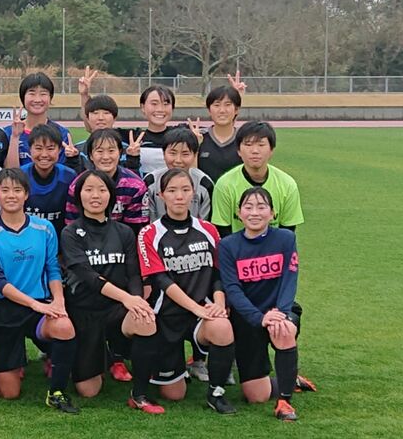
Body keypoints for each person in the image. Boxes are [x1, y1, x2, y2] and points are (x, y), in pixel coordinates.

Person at [59, 169, 163, 413]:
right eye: (89, 190)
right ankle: (102, 357)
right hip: (84, 312)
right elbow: (90, 278)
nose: (96, 195)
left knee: (145, 319)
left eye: (102, 190)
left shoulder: (124, 232)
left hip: (117, 310)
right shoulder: (70, 233)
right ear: (79, 196)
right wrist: (128, 298)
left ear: (111, 196)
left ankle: (139, 394)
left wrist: (136, 301)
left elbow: (133, 274)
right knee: (88, 390)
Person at [0, 168, 79, 413]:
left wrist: (58, 301)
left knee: (64, 326)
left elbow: (53, 268)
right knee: (8, 393)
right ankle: (9, 364)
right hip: (5, 309)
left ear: (26, 195)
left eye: (17, 190)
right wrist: (37, 305)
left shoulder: (44, 229)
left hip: (40, 305)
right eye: (5, 190)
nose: (11, 195)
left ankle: (56, 391)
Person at [137, 168, 238, 414]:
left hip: (201, 313)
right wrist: (195, 308)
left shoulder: (208, 230)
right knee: (174, 395)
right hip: (167, 315)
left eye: (185, 190)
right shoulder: (149, 233)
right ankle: (170, 369)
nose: (179, 196)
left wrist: (218, 303)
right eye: (172, 191)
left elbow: (217, 274)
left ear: (193, 193)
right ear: (161, 195)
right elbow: (160, 280)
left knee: (223, 326)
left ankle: (216, 392)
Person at [219, 187, 304, 421]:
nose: (254, 212)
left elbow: (290, 279)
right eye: (248, 207)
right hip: (248, 318)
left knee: (283, 329)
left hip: (279, 310)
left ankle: (285, 403)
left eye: (261, 207)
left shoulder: (286, 239)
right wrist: (258, 318)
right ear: (239, 213)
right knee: (256, 396)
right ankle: (290, 377)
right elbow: (232, 289)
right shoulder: (228, 245)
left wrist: (281, 313)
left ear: (273, 213)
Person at [211, 121, 304, 236]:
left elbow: (287, 233)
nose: (255, 151)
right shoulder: (224, 185)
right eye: (248, 145)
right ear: (239, 151)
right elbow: (223, 233)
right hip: (237, 251)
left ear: (271, 150)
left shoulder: (287, 184)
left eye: (261, 145)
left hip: (273, 251)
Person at [65, 128, 148, 235]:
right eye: (99, 151)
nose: (106, 157)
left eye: (111, 151)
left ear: (120, 153)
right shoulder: (78, 186)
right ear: (91, 155)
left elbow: (136, 227)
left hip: (122, 242)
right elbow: (72, 225)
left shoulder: (135, 186)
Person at [143, 127, 216, 222]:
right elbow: (147, 222)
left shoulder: (204, 183)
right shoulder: (151, 181)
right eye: (173, 153)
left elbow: (206, 224)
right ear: (163, 154)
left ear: (195, 155)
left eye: (185, 154)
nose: (178, 160)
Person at [3, 72, 74, 169]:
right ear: (23, 98)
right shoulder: (7, 133)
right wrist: (15, 137)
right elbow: (9, 173)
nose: (37, 99)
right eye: (32, 93)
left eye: (43, 94)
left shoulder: (61, 133)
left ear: (50, 98)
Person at [19, 123, 78, 234]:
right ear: (30, 149)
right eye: (38, 148)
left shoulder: (69, 176)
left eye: (50, 149)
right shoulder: (20, 176)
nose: (44, 154)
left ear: (59, 150)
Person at [124, 85, 175, 177]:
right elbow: (96, 130)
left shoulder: (181, 136)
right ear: (143, 107)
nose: (160, 109)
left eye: (166, 103)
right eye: (154, 104)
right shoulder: (132, 137)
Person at [199, 83, 244, 184]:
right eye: (217, 105)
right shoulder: (199, 137)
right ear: (209, 110)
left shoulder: (244, 140)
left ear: (236, 110)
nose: (222, 110)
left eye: (228, 105)